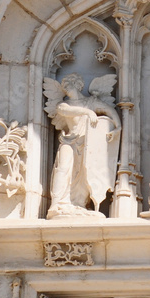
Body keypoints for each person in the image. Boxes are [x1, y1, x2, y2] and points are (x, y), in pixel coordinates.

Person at [44, 73, 120, 219]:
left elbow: (110, 111)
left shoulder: (91, 101)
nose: (65, 87)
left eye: (68, 83)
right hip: (69, 142)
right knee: (63, 168)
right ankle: (56, 204)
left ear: (78, 85)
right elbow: (65, 111)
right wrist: (87, 112)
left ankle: (78, 204)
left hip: (88, 145)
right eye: (64, 85)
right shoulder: (63, 104)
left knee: (84, 174)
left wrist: (118, 127)